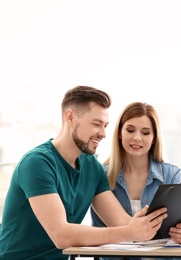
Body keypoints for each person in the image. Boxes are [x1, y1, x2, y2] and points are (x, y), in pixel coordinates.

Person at [0, 86, 167, 260]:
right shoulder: (37, 163)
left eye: (105, 126)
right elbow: (61, 235)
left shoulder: (92, 167)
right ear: (70, 117)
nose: (103, 133)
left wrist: (169, 229)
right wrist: (128, 232)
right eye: (96, 124)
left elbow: (121, 222)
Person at [90, 102, 181, 260]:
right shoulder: (101, 175)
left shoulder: (172, 175)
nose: (137, 138)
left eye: (145, 132)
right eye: (130, 130)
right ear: (119, 133)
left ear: (153, 138)